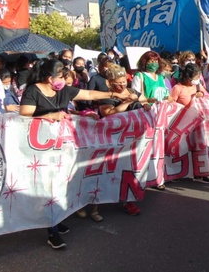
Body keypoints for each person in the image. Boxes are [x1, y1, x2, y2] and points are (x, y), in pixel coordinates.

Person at [19, 59, 131, 248]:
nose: (66, 81)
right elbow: (23, 117)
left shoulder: (62, 90)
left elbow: (89, 94)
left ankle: (55, 220)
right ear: (49, 78)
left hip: (61, 146)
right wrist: (49, 116)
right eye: (62, 77)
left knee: (61, 185)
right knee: (49, 188)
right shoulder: (33, 91)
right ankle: (51, 231)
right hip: (40, 149)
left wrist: (113, 94)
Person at [98, 64, 150, 210]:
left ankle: (129, 199)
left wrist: (145, 105)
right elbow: (107, 113)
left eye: (123, 82)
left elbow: (145, 100)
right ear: (110, 83)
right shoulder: (107, 96)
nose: (121, 85)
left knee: (132, 167)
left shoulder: (133, 91)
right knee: (115, 170)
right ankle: (108, 197)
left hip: (136, 138)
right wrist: (127, 102)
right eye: (118, 83)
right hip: (114, 139)